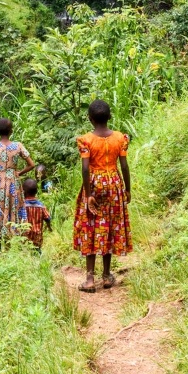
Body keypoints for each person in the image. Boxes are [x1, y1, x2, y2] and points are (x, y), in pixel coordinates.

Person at [73, 98, 132, 292]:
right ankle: (106, 276)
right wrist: (127, 188)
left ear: (90, 119)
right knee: (110, 226)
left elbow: (85, 168)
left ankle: (89, 279)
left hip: (94, 184)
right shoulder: (119, 138)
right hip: (114, 184)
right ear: (109, 117)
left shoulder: (86, 140)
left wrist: (88, 194)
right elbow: (124, 165)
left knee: (91, 226)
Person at [0, 117, 35, 241]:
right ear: (11, 131)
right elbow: (31, 164)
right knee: (13, 205)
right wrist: (18, 173)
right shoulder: (18, 146)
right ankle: (13, 233)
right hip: (13, 181)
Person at [22, 177, 51, 252]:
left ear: (24, 192)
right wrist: (49, 227)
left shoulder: (22, 206)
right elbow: (47, 218)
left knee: (25, 252)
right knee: (37, 252)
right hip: (37, 236)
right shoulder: (41, 206)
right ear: (36, 191)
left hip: (25, 236)